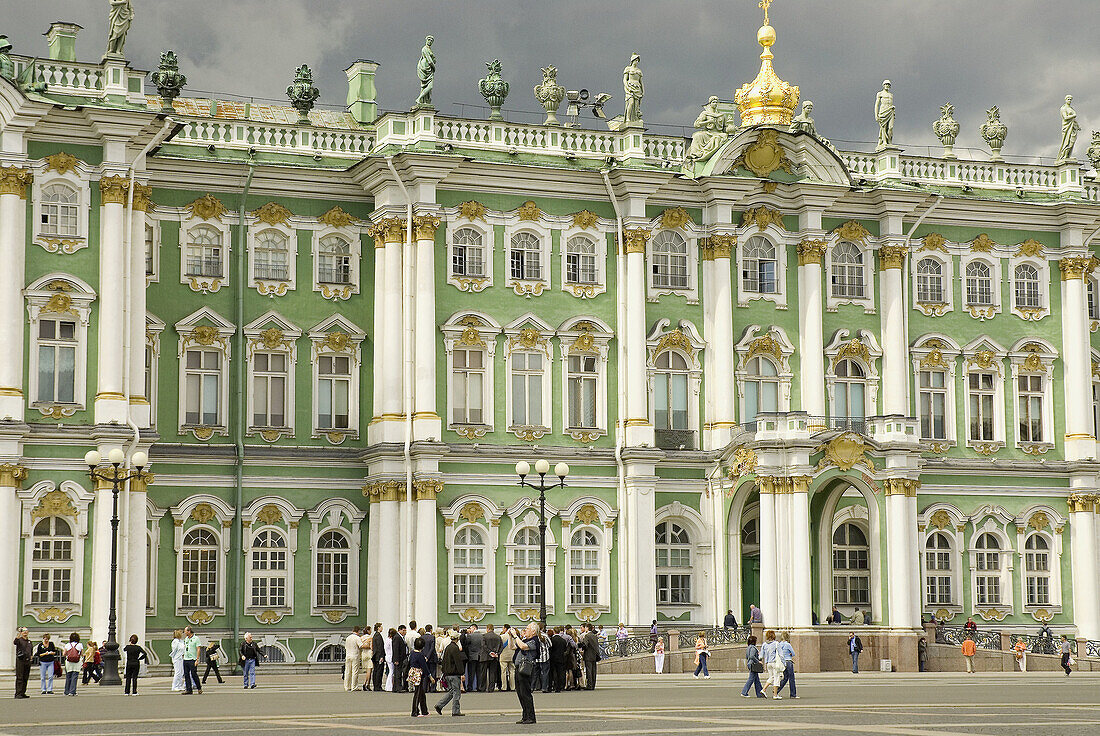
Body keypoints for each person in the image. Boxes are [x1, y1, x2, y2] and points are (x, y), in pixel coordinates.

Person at [513, 621, 540, 725]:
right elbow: (512, 647)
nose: (525, 630)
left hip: (526, 669)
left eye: (527, 628)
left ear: (533, 631)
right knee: (520, 693)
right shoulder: (526, 639)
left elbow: (523, 646)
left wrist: (516, 636)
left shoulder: (534, 640)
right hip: (519, 667)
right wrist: (512, 637)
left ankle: (531, 717)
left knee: (526, 693)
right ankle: (525, 716)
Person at [434, 629, 466, 717]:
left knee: (452, 691)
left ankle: (439, 705)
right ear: (457, 639)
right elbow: (458, 662)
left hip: (447, 673)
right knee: (456, 693)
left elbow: (444, 660)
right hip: (454, 674)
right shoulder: (455, 648)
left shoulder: (448, 647)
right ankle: (455, 711)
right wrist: (462, 673)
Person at [408, 637, 430, 717]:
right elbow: (424, 666)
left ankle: (424, 710)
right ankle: (415, 711)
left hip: (413, 672)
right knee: (417, 693)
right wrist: (430, 676)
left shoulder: (412, 653)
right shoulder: (420, 655)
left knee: (421, 692)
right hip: (418, 674)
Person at [761, 630, 783, 699]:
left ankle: (764, 690)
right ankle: (775, 695)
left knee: (772, 677)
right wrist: (784, 663)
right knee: (776, 678)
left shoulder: (764, 644)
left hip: (768, 663)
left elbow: (761, 655)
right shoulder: (776, 643)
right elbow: (781, 654)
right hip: (775, 663)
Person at [776, 632, 798, 699]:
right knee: (791, 678)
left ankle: (776, 690)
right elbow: (793, 653)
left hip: (782, 662)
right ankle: (793, 694)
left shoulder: (779, 644)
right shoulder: (788, 644)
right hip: (788, 661)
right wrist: (790, 654)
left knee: (785, 678)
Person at [181, 626, 202, 694]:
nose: (184, 632)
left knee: (193, 674)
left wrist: (197, 659)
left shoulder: (196, 638)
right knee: (186, 675)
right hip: (186, 659)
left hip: (192, 659)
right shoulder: (186, 639)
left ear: (189, 631)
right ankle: (189, 689)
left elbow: (198, 649)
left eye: (185, 631)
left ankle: (199, 687)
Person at [13, 627, 33, 699]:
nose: (25, 632)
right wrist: (18, 634)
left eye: (26, 631)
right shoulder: (19, 640)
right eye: (23, 631)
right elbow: (15, 642)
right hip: (20, 660)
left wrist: (31, 657)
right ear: (21, 633)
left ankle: (23, 692)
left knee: (25, 677)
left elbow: (31, 650)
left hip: (27, 661)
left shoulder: (29, 641)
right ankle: (18, 693)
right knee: (20, 677)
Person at [484, 623, 503, 693]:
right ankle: (491, 688)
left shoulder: (484, 636)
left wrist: (490, 652)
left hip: (486, 657)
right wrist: (497, 653)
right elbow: (501, 646)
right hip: (495, 657)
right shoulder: (498, 637)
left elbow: (484, 646)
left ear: (488, 629)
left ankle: (483, 687)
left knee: (484, 672)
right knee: (492, 673)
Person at [580, 624, 600, 688]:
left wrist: (581, 647)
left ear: (587, 628)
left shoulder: (587, 636)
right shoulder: (595, 636)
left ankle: (589, 685)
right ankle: (593, 684)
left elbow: (585, 645)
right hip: (594, 655)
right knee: (593, 671)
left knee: (589, 670)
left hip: (588, 655)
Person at [463, 624, 482, 693]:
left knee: (471, 673)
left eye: (471, 628)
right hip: (480, 656)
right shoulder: (482, 636)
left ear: (474, 628)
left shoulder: (470, 636)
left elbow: (466, 644)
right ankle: (479, 687)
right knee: (479, 673)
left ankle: (470, 687)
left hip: (472, 656)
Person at [344, 626, 363, 692]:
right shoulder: (357, 638)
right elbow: (361, 646)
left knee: (347, 671)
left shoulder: (348, 637)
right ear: (358, 631)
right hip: (355, 655)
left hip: (348, 655)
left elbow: (346, 647)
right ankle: (354, 686)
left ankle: (347, 686)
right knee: (355, 671)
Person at [549, 627, 568, 692]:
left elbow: (550, 649)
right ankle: (560, 687)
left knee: (554, 672)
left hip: (553, 658)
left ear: (554, 631)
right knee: (561, 673)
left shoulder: (552, 639)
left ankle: (555, 686)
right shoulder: (563, 640)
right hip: (561, 658)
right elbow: (565, 649)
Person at [536, 625, 552, 693]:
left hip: (536, 657)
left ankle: (532, 687)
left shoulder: (534, 636)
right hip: (545, 657)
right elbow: (550, 645)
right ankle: (544, 687)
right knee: (545, 673)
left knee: (535, 673)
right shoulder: (545, 636)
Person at [422, 625, 437, 693]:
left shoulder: (422, 637)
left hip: (424, 658)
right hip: (431, 658)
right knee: (433, 673)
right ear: (431, 630)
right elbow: (432, 648)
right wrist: (428, 656)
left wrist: (425, 657)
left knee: (425, 673)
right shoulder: (432, 637)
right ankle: (432, 688)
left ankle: (425, 688)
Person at [389, 627, 405, 692]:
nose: (404, 632)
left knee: (397, 673)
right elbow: (395, 649)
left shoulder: (399, 637)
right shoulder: (397, 637)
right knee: (398, 673)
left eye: (405, 630)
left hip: (400, 658)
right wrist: (396, 659)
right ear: (399, 630)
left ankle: (395, 687)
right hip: (398, 659)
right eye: (403, 630)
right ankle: (398, 687)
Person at [370, 623, 386, 691]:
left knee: (376, 671)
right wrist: (381, 656)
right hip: (379, 656)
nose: (382, 628)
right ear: (378, 628)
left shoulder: (375, 636)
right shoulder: (378, 636)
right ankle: (378, 686)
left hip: (376, 656)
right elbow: (380, 647)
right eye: (381, 627)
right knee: (379, 672)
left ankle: (376, 685)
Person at [501, 624, 516, 691]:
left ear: (505, 629)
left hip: (503, 656)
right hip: (512, 655)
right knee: (512, 671)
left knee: (503, 672)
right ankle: (513, 687)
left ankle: (504, 687)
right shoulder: (514, 637)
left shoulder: (502, 636)